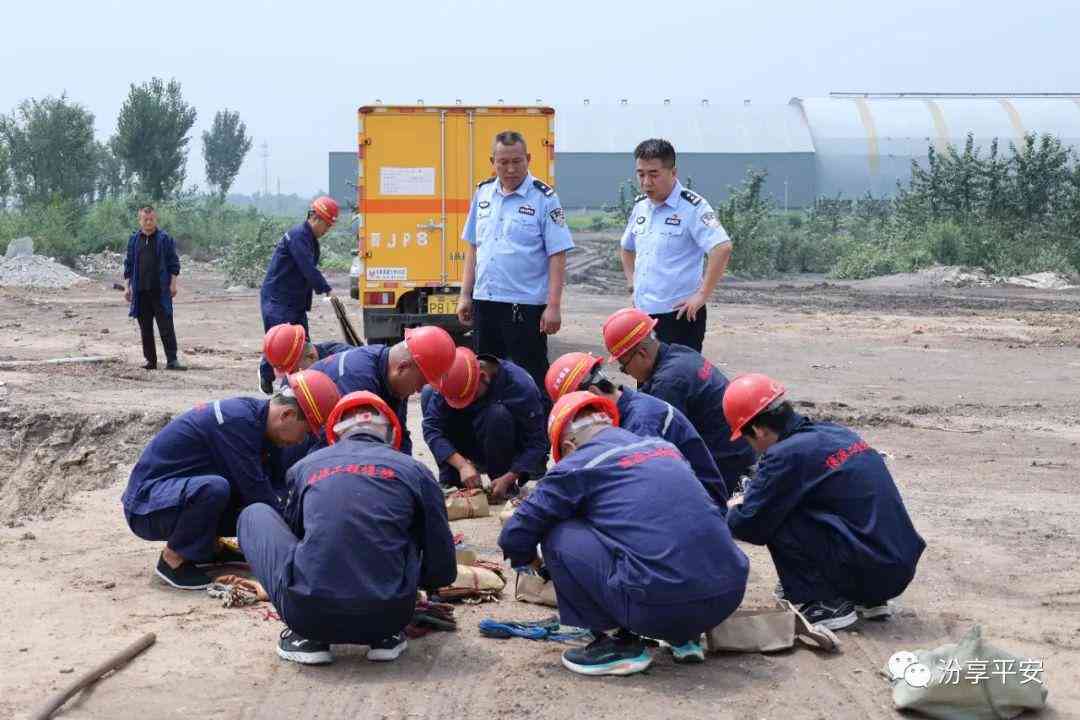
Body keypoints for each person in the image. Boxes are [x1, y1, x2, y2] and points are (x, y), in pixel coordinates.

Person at [499, 391, 749, 676]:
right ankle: (684, 636)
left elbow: (514, 534)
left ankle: (617, 644)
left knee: (558, 532)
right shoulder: (663, 447)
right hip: (726, 596)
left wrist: (535, 564)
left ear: (568, 446)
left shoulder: (578, 464)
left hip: (659, 608)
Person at [238, 391, 456, 665]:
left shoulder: (304, 468)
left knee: (253, 514)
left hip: (309, 617)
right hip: (391, 617)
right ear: (389, 434)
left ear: (336, 433)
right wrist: (420, 587)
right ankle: (384, 638)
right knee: (409, 528)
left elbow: (296, 536)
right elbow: (442, 562)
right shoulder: (415, 471)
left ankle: (307, 640)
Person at [724, 374, 926, 630]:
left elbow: (749, 525)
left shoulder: (784, 455)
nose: (753, 448)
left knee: (775, 512)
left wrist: (734, 507)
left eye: (748, 439)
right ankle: (870, 599)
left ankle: (824, 603)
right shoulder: (836, 432)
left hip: (870, 570)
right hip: (896, 565)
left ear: (758, 429)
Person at [121, 370, 340, 590]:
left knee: (244, 499)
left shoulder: (261, 425)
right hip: (146, 504)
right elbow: (259, 495)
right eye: (305, 431)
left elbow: (278, 490)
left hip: (174, 494)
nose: (302, 440)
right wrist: (304, 544)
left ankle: (207, 548)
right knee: (217, 490)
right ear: (287, 415)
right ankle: (173, 559)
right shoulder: (237, 423)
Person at [457, 130, 574, 408]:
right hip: (486, 302)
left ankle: (539, 439)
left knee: (530, 377)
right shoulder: (483, 193)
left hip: (524, 307)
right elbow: (474, 247)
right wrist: (465, 294)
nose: (510, 169)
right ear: (492, 161)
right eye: (503, 162)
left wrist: (553, 306)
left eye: (517, 162)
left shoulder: (544, 198)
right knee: (484, 376)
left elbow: (557, 254)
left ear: (528, 159)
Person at [602, 307, 755, 495]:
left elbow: (654, 449)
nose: (627, 372)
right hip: (740, 448)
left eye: (624, 367)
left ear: (642, 354)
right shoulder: (680, 353)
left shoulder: (668, 384)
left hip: (724, 465)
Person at [545, 351, 727, 507]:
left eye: (577, 419)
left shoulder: (641, 423)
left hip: (699, 507)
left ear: (593, 394)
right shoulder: (628, 411)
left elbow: (633, 491)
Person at [619, 138, 733, 352]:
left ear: (673, 172)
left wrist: (702, 295)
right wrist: (632, 285)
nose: (646, 182)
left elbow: (721, 247)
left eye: (654, 174)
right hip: (644, 315)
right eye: (641, 174)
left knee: (678, 380)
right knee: (647, 381)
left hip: (679, 316)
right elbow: (627, 248)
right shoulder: (641, 207)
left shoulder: (693, 207)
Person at [307, 325, 457, 456]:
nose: (419, 390)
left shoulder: (394, 378)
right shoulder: (358, 380)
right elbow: (357, 449)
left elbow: (399, 436)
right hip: (305, 445)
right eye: (421, 382)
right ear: (403, 367)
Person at [421, 347, 547, 501]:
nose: (463, 404)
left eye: (469, 397)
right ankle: (453, 479)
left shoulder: (520, 386)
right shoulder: (454, 376)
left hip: (503, 445)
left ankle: (501, 484)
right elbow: (431, 428)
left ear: (483, 377)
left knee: (497, 414)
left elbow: (537, 442)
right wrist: (461, 465)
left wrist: (510, 476)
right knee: (428, 393)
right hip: (468, 441)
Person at [258, 196, 339, 386]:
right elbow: (307, 268)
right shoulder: (298, 236)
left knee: (303, 346)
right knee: (279, 344)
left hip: (294, 302)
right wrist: (326, 289)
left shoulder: (310, 239)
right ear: (315, 218)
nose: (326, 231)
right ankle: (268, 377)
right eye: (326, 226)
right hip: (278, 300)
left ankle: (298, 384)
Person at [123, 205, 185, 370]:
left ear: (155, 219)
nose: (148, 222)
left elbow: (173, 264)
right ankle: (151, 361)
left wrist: (173, 284)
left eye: (151, 219)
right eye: (145, 219)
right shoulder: (134, 240)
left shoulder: (164, 239)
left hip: (160, 291)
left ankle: (172, 361)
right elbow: (128, 265)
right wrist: (127, 287)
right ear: (140, 220)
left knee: (166, 326)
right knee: (145, 329)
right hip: (140, 291)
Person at [259, 323, 353, 395]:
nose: (292, 376)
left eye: (294, 371)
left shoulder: (346, 361)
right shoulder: (290, 381)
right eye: (288, 372)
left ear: (311, 356)